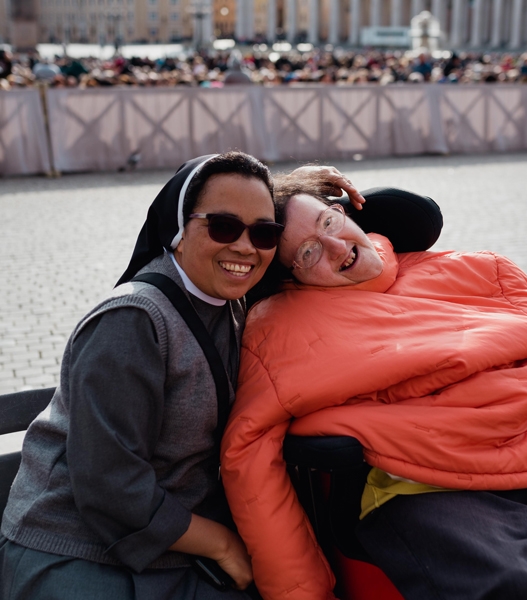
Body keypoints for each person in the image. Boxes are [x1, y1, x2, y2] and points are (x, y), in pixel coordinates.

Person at [0, 152, 363, 600]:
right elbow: (110, 485)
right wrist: (223, 544)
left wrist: (302, 186)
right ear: (178, 227)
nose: (246, 248)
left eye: (265, 233)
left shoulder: (230, 300)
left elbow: (373, 237)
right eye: (223, 227)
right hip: (78, 551)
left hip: (174, 543)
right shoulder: (132, 321)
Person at [220, 174, 527, 600]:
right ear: (290, 277)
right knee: (506, 588)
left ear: (344, 212)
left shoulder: (477, 268)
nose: (336, 247)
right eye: (308, 253)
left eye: (328, 223)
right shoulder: (279, 327)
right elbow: (248, 454)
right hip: (419, 482)